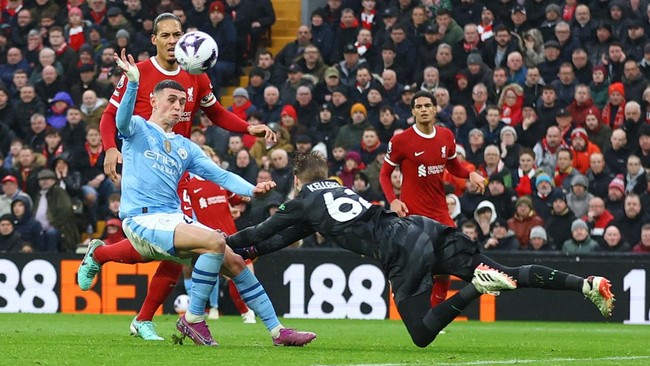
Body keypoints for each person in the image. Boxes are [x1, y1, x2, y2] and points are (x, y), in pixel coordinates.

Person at [227, 152, 614, 348]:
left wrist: (221, 243)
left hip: (399, 249)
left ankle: (476, 287)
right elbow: (276, 239)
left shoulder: (301, 202)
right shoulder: (340, 190)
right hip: (423, 226)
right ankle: (587, 285)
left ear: (296, 179)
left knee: (421, 335)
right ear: (327, 174)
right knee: (511, 275)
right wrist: (252, 251)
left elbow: (263, 231)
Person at [78, 52, 315, 347]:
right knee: (215, 241)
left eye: (181, 102)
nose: (178, 107)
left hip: (172, 218)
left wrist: (251, 188)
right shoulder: (137, 129)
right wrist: (133, 85)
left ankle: (278, 331)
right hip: (142, 218)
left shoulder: (185, 146)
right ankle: (193, 319)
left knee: (236, 262)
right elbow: (120, 119)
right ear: (153, 101)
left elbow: (220, 175)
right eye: (170, 101)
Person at [96, 13, 276, 342]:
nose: (172, 40)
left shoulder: (196, 73)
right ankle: (108, 265)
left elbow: (216, 112)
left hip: (181, 165)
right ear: (154, 39)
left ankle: (143, 313)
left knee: (180, 250)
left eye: (177, 34)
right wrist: (110, 148)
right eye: (165, 35)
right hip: (146, 166)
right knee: (172, 248)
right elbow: (111, 116)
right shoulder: (142, 73)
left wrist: (247, 127)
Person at [379, 90, 485, 309]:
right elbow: (384, 174)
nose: (423, 110)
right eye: (418, 107)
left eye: (427, 106)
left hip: (440, 213)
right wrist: (393, 200)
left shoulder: (446, 136)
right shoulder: (401, 140)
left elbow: (453, 165)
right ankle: (411, 302)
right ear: (413, 112)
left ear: (435, 109)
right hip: (414, 215)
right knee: (419, 267)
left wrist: (470, 173)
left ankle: (434, 316)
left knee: (446, 267)